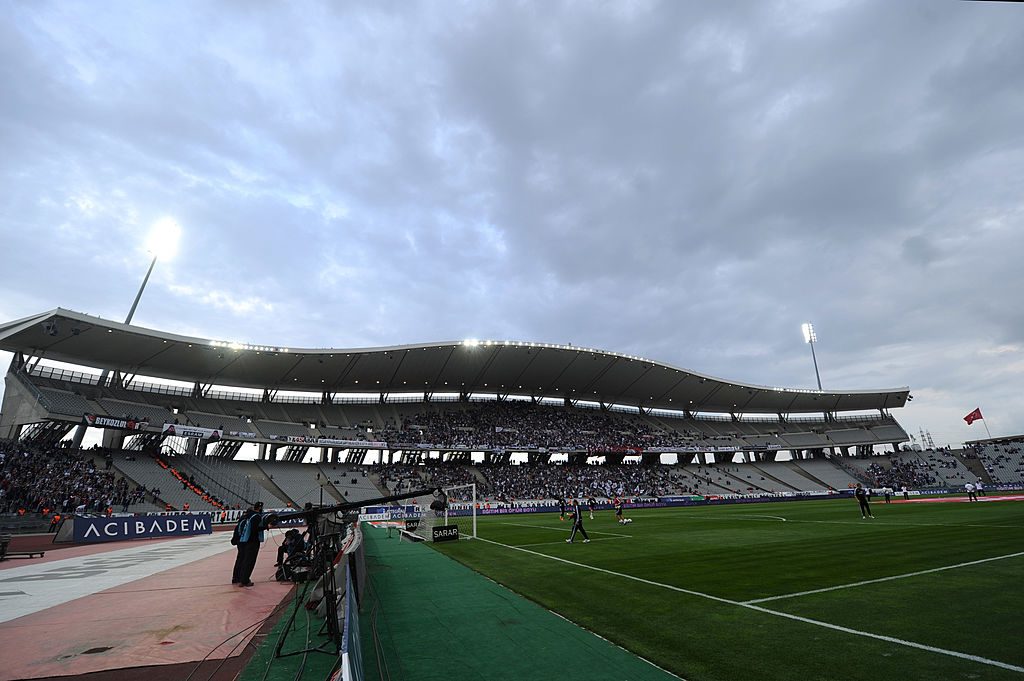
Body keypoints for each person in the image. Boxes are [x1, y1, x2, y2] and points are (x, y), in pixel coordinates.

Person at [232, 501, 270, 587]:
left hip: (242, 540)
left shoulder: (245, 517)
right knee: (249, 561)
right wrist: (266, 527)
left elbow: (238, 528)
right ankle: (244, 580)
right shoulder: (255, 517)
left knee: (241, 560)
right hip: (251, 541)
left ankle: (237, 577)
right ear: (260, 508)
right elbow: (255, 529)